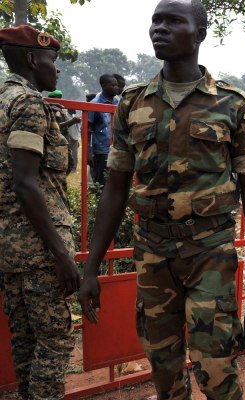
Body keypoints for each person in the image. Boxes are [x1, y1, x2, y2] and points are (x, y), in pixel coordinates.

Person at [78, 0, 245, 398]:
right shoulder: (133, 103)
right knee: (164, 369)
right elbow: (116, 187)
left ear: (200, 33)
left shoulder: (231, 104)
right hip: (153, 254)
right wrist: (91, 267)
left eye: (172, 21)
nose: (159, 28)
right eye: (155, 21)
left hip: (209, 253)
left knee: (217, 367)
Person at [0, 25, 80, 399]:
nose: (57, 69)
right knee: (54, 343)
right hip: (39, 251)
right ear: (33, 59)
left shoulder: (4, 98)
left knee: (26, 341)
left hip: (10, 251)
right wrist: (61, 255)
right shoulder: (29, 103)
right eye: (52, 60)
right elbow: (26, 182)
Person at [87, 74, 119, 187]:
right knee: (101, 183)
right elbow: (86, 129)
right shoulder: (94, 104)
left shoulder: (117, 103)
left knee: (115, 182)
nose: (117, 87)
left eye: (117, 85)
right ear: (104, 85)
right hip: (102, 151)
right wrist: (88, 152)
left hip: (117, 148)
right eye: (113, 85)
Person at [47, 89, 81, 174]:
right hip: (57, 140)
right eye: (59, 97)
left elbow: (65, 126)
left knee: (69, 163)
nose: (61, 99)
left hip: (65, 139)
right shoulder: (54, 110)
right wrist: (72, 121)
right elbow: (56, 126)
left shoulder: (61, 110)